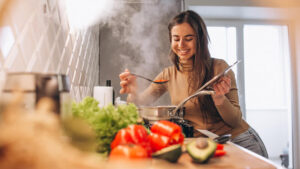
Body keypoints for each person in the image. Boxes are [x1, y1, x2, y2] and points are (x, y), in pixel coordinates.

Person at [119, 10, 268, 158]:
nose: (181, 44)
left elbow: (235, 121)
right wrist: (133, 92)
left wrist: (220, 99)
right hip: (207, 145)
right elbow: (139, 104)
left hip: (240, 141)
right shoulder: (168, 74)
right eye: (176, 39)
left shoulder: (219, 68)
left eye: (188, 38)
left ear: (200, 39)